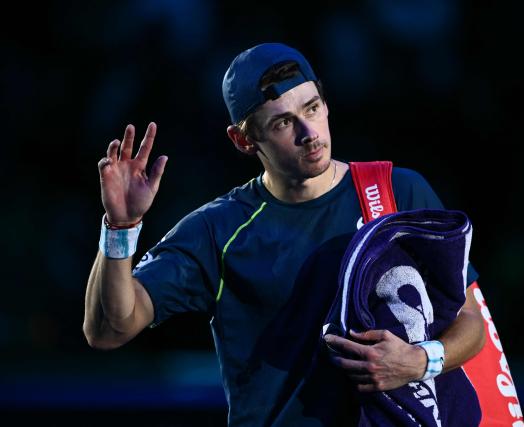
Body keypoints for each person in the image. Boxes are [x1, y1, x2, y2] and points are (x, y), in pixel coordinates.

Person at [84, 42, 485, 426]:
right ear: (243, 139)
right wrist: (121, 228)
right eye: (282, 122)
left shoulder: (400, 191)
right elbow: (108, 330)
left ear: (325, 104)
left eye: (312, 108)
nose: (308, 132)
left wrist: (420, 361)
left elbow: (471, 320)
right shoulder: (218, 230)